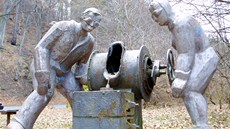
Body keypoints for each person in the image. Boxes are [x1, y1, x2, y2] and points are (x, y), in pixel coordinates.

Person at [7, 7, 102, 129]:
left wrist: (87, 80)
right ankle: (19, 124)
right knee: (45, 92)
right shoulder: (63, 26)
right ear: (82, 16)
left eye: (96, 22)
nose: (92, 23)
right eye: (90, 18)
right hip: (45, 63)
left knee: (79, 97)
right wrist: (42, 73)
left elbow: (82, 65)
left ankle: (86, 126)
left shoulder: (90, 42)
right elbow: (41, 47)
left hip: (64, 73)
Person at [149, 0, 219, 128]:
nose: (154, 19)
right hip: (201, 57)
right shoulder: (175, 24)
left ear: (165, 10)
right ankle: (199, 125)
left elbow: (186, 53)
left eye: (156, 14)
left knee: (190, 89)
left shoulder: (181, 24)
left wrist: (180, 79)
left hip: (205, 57)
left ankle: (201, 125)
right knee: (189, 90)